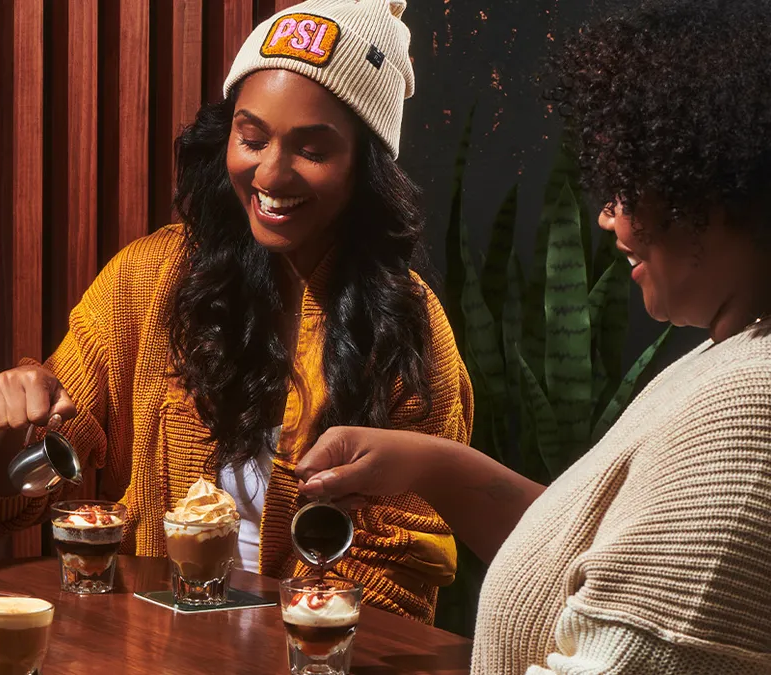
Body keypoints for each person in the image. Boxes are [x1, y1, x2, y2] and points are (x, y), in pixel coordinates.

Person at [0, 0, 472, 624]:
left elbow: (402, 574)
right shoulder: (146, 281)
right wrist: (7, 434)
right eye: (251, 138)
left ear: (366, 165)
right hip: (146, 652)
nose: (271, 173)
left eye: (312, 150)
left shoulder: (408, 325)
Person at [295, 0, 771, 671]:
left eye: (631, 185)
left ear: (713, 186)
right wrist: (429, 463)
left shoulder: (746, 412)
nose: (608, 217)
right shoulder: (727, 355)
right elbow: (589, 553)